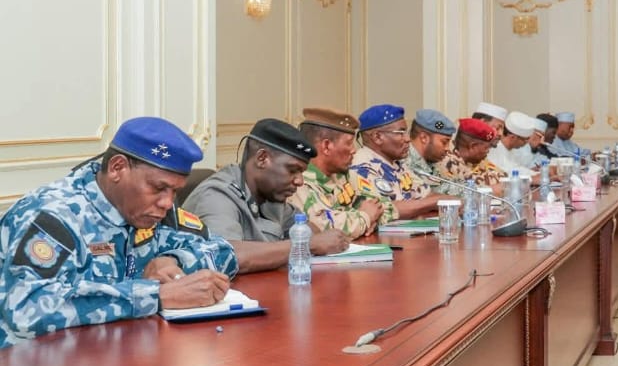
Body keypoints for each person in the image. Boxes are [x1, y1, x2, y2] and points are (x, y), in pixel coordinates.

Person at [0, 117, 238, 349]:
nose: (167, 202)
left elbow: (223, 250)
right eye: (159, 187)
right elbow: (25, 309)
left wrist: (174, 260)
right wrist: (157, 295)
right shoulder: (54, 216)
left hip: (119, 352)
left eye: (175, 191)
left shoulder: (154, 211)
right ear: (117, 168)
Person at [185, 118, 351, 269]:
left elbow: (307, 229)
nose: (300, 181)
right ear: (262, 158)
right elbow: (226, 255)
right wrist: (306, 245)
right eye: (292, 170)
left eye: (301, 172)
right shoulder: (216, 195)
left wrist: (315, 239)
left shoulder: (270, 195)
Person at [291, 107, 393, 238]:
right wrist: (366, 218)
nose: (354, 150)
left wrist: (368, 220)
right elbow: (327, 230)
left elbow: (383, 206)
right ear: (326, 146)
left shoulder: (341, 175)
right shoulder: (299, 182)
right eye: (349, 143)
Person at [350, 104, 445, 219]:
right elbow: (383, 210)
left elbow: (426, 195)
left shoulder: (397, 165)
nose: (408, 139)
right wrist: (435, 202)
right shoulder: (362, 168)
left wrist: (449, 201)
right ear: (377, 137)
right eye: (400, 133)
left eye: (406, 132)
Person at [437, 118, 509, 187]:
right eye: (486, 148)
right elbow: (468, 185)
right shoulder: (447, 161)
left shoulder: (476, 160)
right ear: (473, 146)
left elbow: (503, 176)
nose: (488, 151)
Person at [406, 108, 455, 183]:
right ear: (424, 138)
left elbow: (442, 185)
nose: (447, 148)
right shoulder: (406, 162)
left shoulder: (430, 159)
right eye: (444, 142)